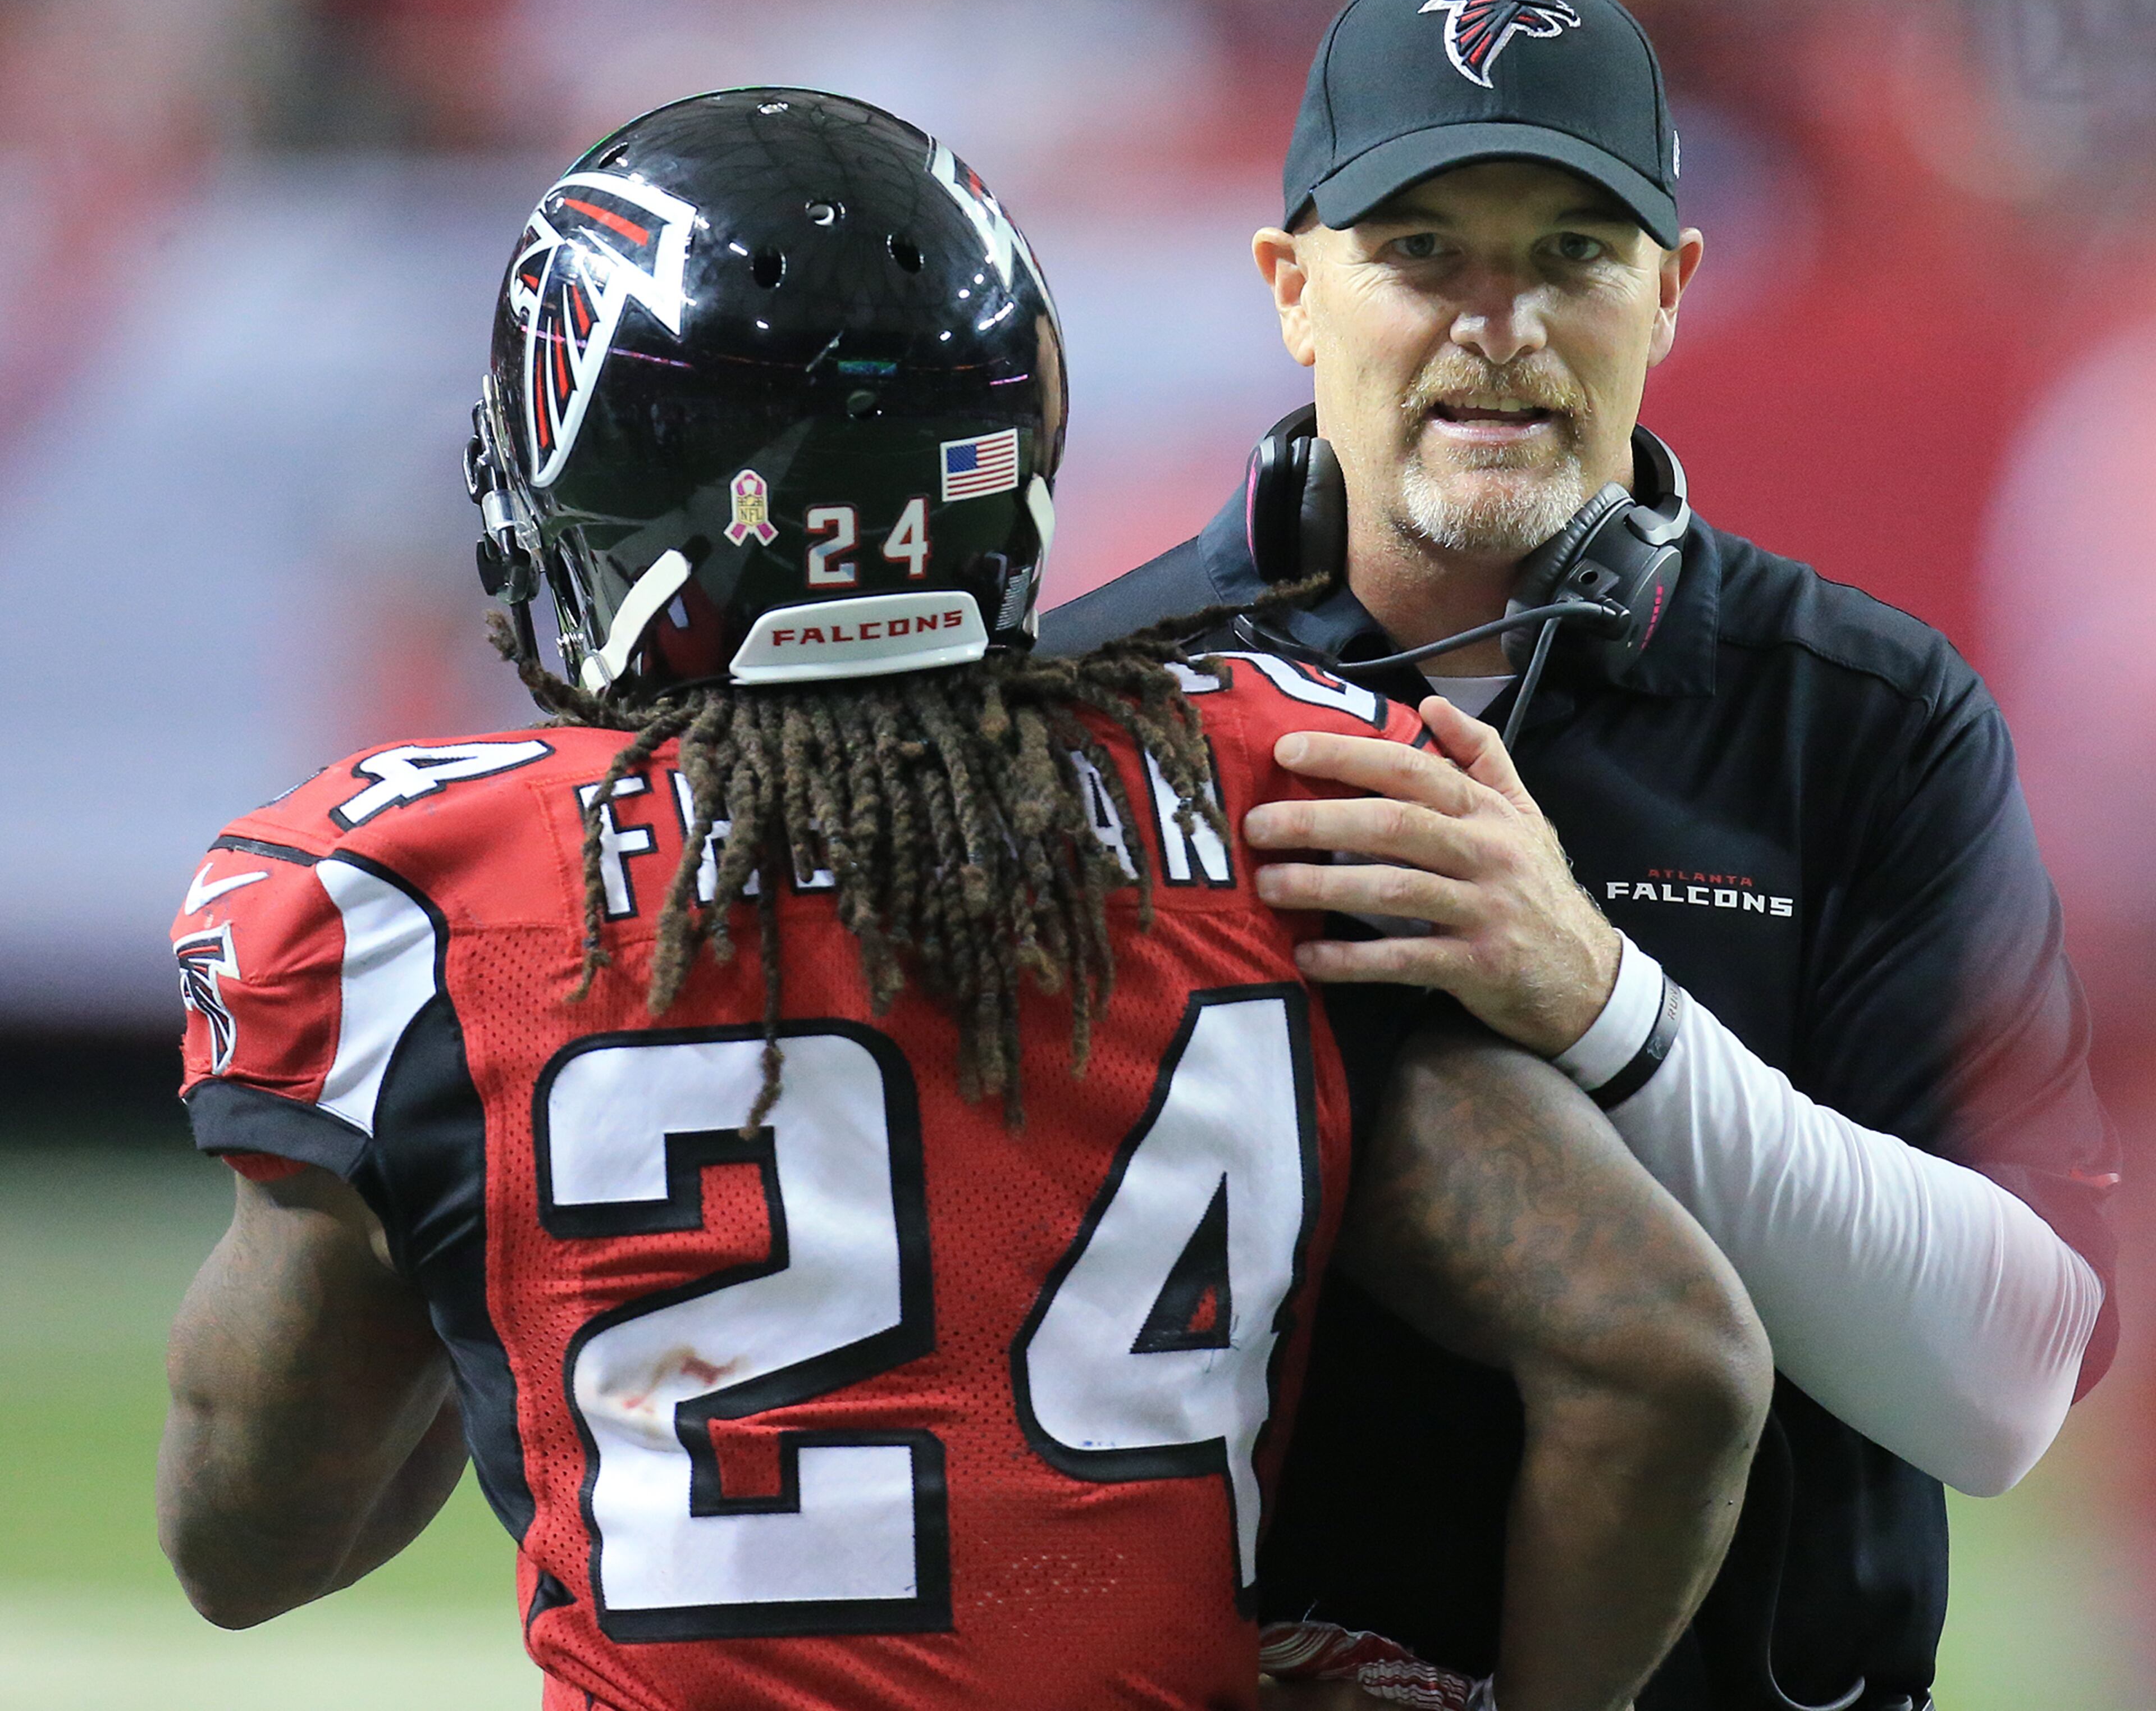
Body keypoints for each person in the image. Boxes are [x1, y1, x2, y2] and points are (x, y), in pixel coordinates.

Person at [156, 90, 1769, 1711]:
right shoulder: (1276, 792)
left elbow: (248, 1550)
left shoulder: (419, 904)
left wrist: (459, 1202)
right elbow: (1664, 1358)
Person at [1042, 0, 2121, 1711]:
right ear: (1290, 287)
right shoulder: (1090, 712)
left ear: (1672, 293)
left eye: (1571, 252)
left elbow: (2012, 1384)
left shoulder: (1862, 714)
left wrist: (1599, 1000)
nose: (1501, 320)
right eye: (1420, 252)